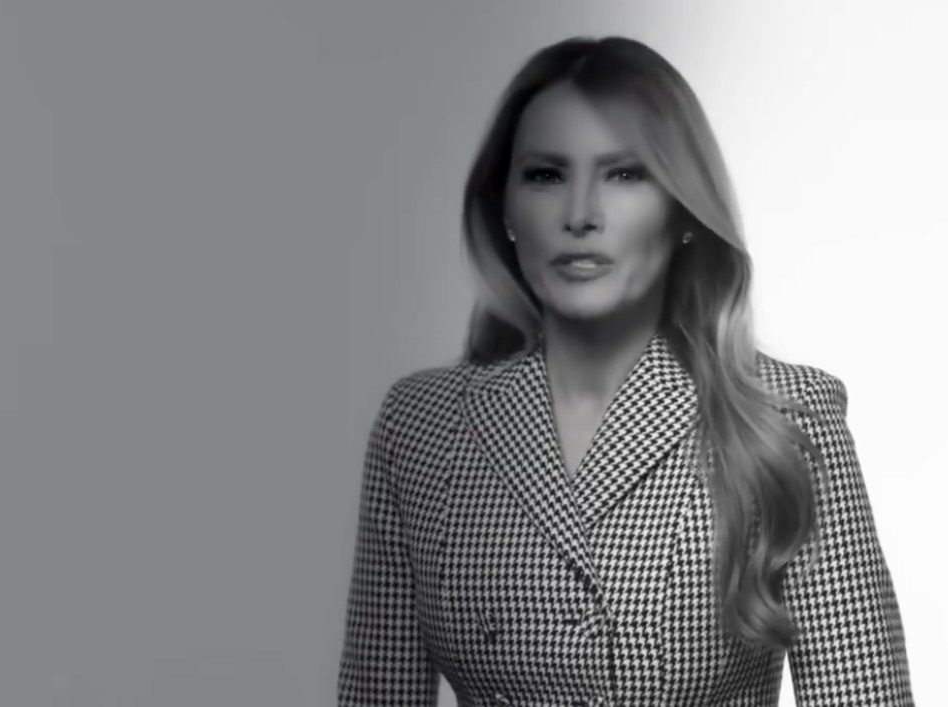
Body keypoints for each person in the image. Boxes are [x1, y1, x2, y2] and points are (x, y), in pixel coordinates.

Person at [338, 35, 913, 707]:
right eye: (546, 175)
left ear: (684, 211)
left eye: (625, 174)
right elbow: (377, 693)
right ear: (505, 209)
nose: (581, 215)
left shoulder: (781, 418)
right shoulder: (420, 427)